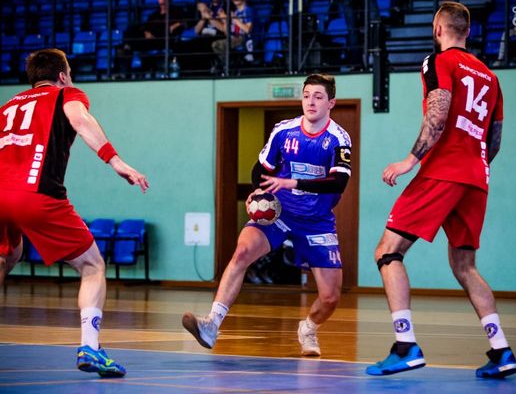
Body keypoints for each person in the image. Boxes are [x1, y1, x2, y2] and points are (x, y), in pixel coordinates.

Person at [366, 2, 516, 379]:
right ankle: (502, 350)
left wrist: (409, 160)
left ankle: (406, 346)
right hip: (477, 175)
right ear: (468, 31)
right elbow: (494, 139)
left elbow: (438, 113)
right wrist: (473, 167)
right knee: (465, 266)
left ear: (437, 29)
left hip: (444, 170)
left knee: (387, 251)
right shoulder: (491, 77)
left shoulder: (437, 62)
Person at [0, 49, 149, 377]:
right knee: (93, 265)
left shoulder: (8, 105)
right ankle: (90, 348)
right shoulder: (66, 94)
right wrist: (116, 161)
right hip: (35, 193)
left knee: (7, 256)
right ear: (63, 75)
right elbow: (81, 120)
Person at [182, 74, 352, 357]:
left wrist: (292, 182)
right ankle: (212, 324)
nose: (310, 102)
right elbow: (260, 169)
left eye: (318, 96)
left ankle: (308, 328)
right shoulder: (283, 131)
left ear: (331, 103)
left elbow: (339, 183)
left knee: (330, 297)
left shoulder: (338, 139)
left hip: (316, 221)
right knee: (242, 252)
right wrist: (257, 192)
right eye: (306, 95)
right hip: (279, 213)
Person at [211, 0, 254, 72]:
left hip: (245, 38)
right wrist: (225, 20)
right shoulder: (236, 12)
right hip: (235, 38)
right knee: (215, 44)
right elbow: (229, 34)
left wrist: (234, 18)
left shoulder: (248, 10)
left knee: (216, 45)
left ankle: (228, 66)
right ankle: (229, 65)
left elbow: (247, 30)